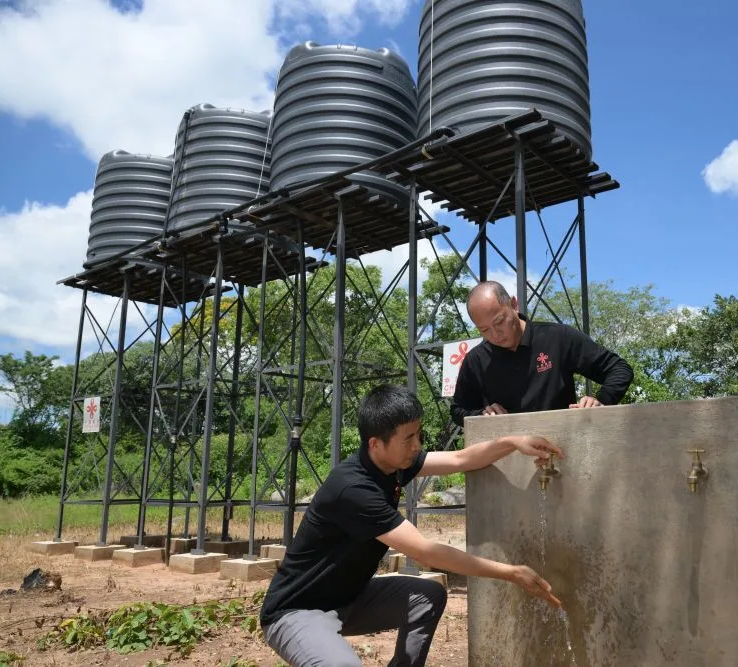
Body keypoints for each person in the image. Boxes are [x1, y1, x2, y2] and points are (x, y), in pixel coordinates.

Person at [260, 384, 564, 666]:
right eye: (409, 438)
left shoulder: (391, 465)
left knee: (427, 597)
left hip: (349, 599)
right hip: (298, 611)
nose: (417, 445)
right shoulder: (353, 489)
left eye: (418, 435)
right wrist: (510, 572)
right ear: (375, 444)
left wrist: (513, 442)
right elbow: (427, 553)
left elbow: (460, 459)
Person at [450, 281, 634, 426]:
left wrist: (600, 401)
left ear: (514, 305)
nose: (495, 334)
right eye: (484, 330)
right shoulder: (475, 360)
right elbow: (458, 410)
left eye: (499, 322)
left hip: (564, 447)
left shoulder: (558, 337)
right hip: (508, 456)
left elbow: (619, 368)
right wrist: (482, 414)